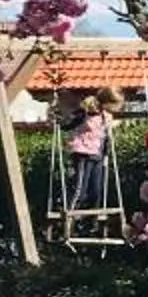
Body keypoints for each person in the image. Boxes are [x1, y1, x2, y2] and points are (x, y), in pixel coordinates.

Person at [63, 92, 116, 220]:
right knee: (80, 189)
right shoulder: (83, 115)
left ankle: (92, 221)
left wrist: (107, 150)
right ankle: (71, 215)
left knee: (96, 191)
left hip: (97, 155)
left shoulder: (106, 117)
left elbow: (105, 135)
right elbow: (68, 125)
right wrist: (59, 122)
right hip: (83, 154)